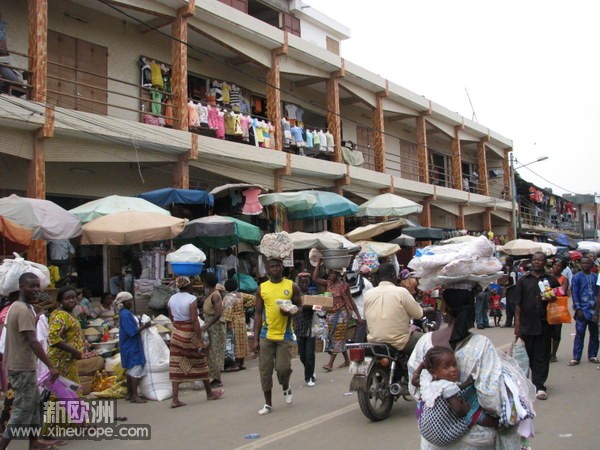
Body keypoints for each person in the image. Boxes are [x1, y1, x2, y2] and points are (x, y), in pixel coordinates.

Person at [409, 287, 527, 449]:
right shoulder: (481, 344)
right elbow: (490, 397)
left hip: (434, 439)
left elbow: (415, 389)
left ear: (444, 308)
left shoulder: (425, 341)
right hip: (473, 437)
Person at [0, 273, 59, 450]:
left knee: (34, 404)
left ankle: (34, 442)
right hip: (22, 366)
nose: (35, 290)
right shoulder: (23, 310)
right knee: (22, 409)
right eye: (31, 286)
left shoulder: (16, 307)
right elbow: (33, 341)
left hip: (21, 365)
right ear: (21, 287)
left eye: (37, 286)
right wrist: (50, 365)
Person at [411, 346, 498, 447]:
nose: (453, 369)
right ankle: (497, 424)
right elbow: (458, 410)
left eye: (454, 365)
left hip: (425, 430)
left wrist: (422, 365)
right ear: (434, 372)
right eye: (447, 367)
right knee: (473, 414)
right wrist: (467, 408)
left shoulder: (427, 380)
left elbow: (414, 380)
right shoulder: (446, 386)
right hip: (442, 436)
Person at [253, 258, 302, 415]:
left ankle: (286, 387)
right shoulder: (262, 288)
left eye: (277, 266)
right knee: (265, 370)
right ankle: (268, 403)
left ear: (282, 267)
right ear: (268, 269)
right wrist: (255, 339)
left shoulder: (291, 286)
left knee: (282, 368)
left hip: (285, 335)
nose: (274, 268)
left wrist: (290, 310)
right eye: (271, 266)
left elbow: (300, 306)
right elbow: (258, 313)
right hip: (266, 335)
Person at [168, 276, 224, 408]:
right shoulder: (191, 299)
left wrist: (178, 327)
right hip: (189, 333)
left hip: (176, 333)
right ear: (188, 286)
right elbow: (194, 320)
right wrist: (199, 340)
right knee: (201, 361)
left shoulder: (172, 299)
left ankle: (175, 399)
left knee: (176, 364)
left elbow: (171, 317)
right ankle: (209, 393)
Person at [514, 251, 559, 400]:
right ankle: (526, 384)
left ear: (544, 262)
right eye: (534, 260)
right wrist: (517, 325)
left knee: (542, 355)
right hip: (527, 324)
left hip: (544, 324)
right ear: (531, 262)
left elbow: (560, 299)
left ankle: (540, 386)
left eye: (540, 260)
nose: (537, 262)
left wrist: (553, 298)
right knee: (527, 356)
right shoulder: (523, 280)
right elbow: (518, 305)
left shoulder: (551, 280)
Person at [363, 263, 423, 356]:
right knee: (426, 340)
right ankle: (417, 370)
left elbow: (365, 317)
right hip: (400, 342)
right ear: (393, 275)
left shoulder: (368, 294)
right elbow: (418, 314)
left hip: (374, 341)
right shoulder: (401, 292)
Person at [312, 263, 362, 371]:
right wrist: (318, 264)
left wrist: (358, 316)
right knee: (335, 336)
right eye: (329, 272)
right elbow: (315, 278)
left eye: (332, 273)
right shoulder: (328, 283)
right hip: (330, 314)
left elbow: (351, 301)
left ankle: (330, 363)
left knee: (338, 336)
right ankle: (347, 360)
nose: (330, 275)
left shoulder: (344, 286)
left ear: (338, 274)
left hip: (341, 313)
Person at [116, 292, 152, 403]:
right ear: (124, 303)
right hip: (131, 345)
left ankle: (130, 393)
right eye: (129, 301)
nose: (131, 303)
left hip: (129, 344)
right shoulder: (126, 315)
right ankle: (135, 395)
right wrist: (145, 326)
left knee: (130, 370)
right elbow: (131, 332)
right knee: (135, 369)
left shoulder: (126, 313)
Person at [47, 286, 86, 383]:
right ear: (60, 301)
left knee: (70, 391)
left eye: (73, 298)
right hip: (61, 361)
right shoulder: (61, 316)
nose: (71, 300)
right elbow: (53, 337)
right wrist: (75, 351)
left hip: (68, 360)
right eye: (67, 298)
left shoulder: (68, 314)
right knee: (63, 392)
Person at [568, 256, 599, 366]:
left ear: (591, 265)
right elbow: (574, 293)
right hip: (582, 310)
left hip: (594, 310)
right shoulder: (576, 277)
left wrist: (597, 311)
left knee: (595, 334)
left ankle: (592, 355)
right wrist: (578, 308)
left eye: (587, 263)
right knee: (580, 333)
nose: (585, 265)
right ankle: (576, 357)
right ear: (580, 264)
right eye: (583, 263)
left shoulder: (596, 277)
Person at [222, 278, 255, 371]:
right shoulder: (240, 295)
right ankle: (241, 363)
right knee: (242, 341)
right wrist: (245, 306)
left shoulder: (228, 297)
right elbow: (253, 298)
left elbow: (227, 312)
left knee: (234, 342)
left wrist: (226, 323)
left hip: (233, 321)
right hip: (241, 320)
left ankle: (234, 364)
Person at [292, 273, 317, 387]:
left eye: (306, 282)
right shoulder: (294, 296)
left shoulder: (312, 295)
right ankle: (310, 369)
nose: (304, 285)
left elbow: (318, 307)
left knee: (309, 354)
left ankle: (309, 377)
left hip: (310, 327)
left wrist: (311, 306)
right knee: (302, 355)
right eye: (302, 282)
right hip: (299, 328)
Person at [202, 272, 226, 388]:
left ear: (206, 282)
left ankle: (217, 379)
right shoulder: (211, 294)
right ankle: (213, 376)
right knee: (210, 352)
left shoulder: (215, 295)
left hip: (215, 328)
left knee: (214, 353)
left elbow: (217, 314)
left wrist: (207, 325)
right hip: (211, 327)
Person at [550, 259, 569, 363]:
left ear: (562, 268)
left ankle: (554, 354)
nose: (557, 267)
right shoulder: (547, 277)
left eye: (559, 266)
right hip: (546, 308)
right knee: (546, 332)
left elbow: (562, 291)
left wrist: (550, 292)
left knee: (556, 333)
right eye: (555, 265)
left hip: (558, 308)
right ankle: (547, 353)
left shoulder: (564, 279)